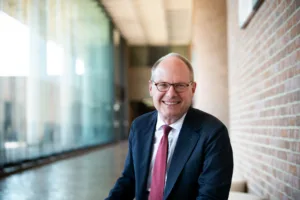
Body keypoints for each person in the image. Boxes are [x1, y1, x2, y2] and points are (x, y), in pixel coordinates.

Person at [106, 53, 233, 200]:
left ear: (193, 89)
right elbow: (129, 179)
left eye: (180, 85)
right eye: (163, 85)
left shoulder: (213, 133)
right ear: (151, 88)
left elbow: (211, 197)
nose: (171, 94)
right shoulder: (139, 126)